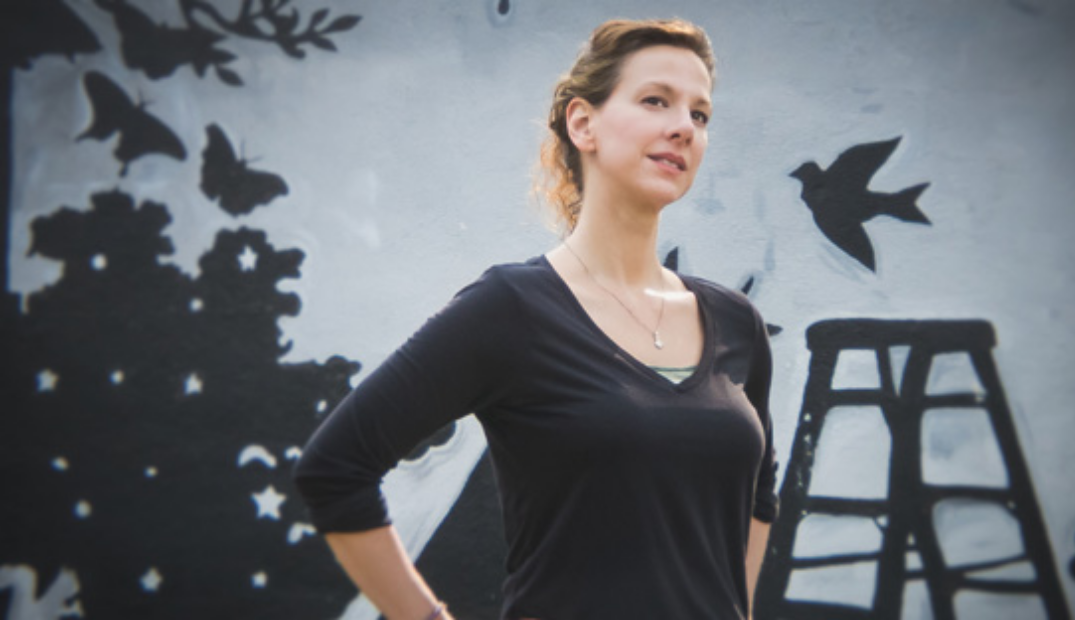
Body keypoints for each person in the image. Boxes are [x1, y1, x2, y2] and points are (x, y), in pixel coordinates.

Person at [293, 18, 778, 620]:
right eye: (656, 100)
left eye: (700, 114)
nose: (683, 126)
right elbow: (334, 469)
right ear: (583, 123)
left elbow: (759, 497)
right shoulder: (512, 308)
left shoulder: (736, 324)